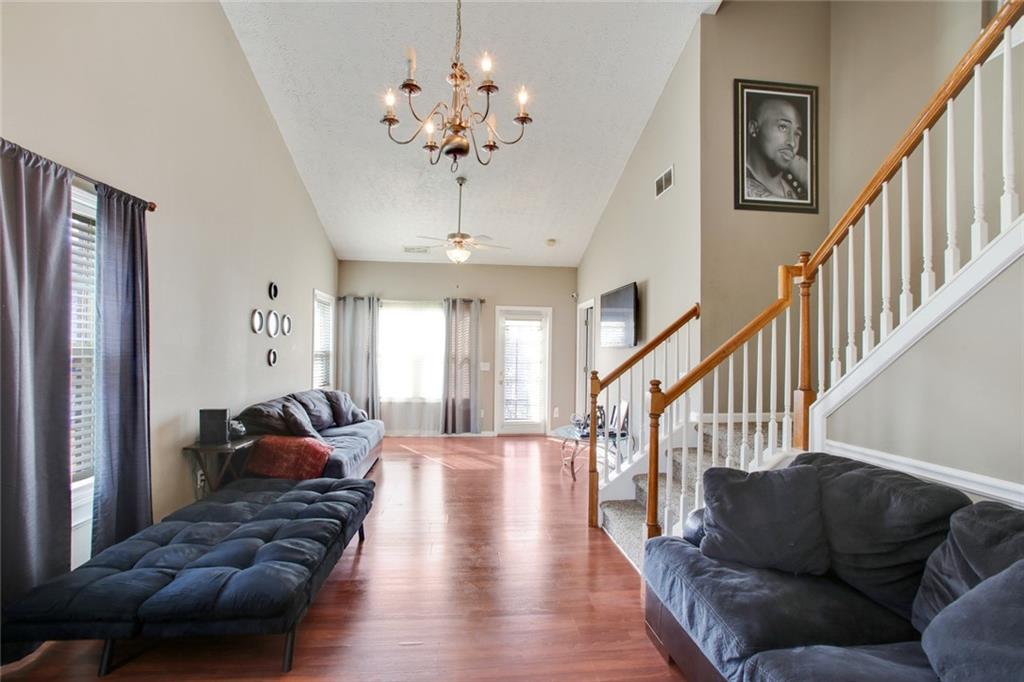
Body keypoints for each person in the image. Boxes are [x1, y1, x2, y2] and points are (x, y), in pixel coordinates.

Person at [745, 97, 809, 201]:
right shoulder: (737, 183)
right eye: (783, 127)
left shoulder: (796, 184)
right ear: (753, 128)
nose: (792, 143)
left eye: (797, 134)